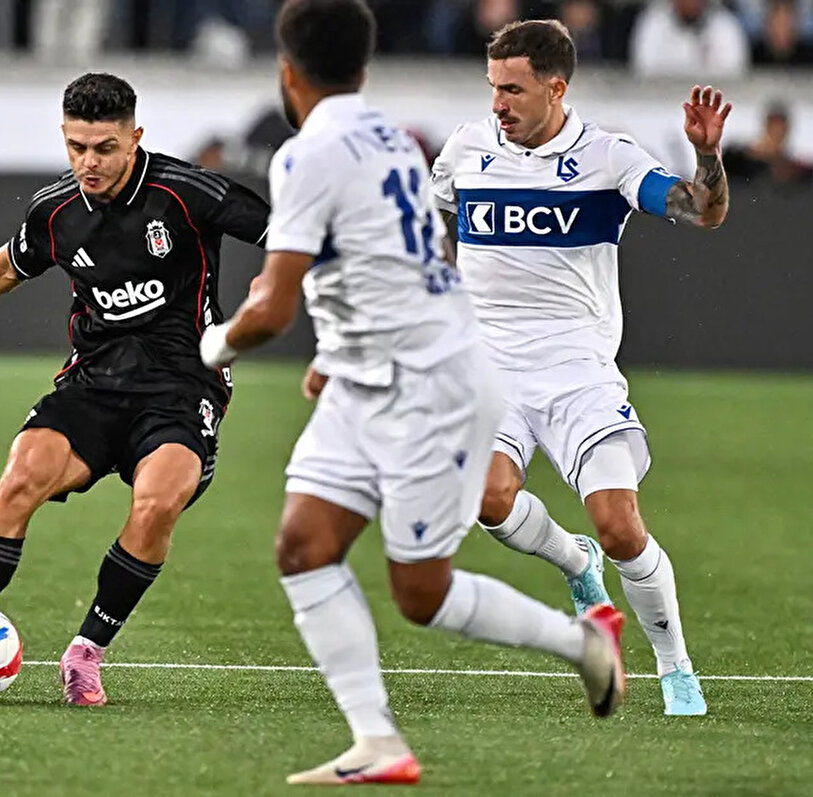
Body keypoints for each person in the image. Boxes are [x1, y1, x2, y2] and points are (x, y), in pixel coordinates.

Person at [199, 0, 626, 785]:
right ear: (361, 69)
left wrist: (214, 345)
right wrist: (338, 348)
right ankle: (378, 742)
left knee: (418, 592)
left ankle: (582, 641)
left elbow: (271, 307)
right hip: (371, 371)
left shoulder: (306, 154)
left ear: (287, 73)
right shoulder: (390, 136)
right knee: (304, 545)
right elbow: (386, 257)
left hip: (428, 383)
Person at [0, 72, 270, 706]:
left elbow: (287, 233)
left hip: (182, 384)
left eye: (104, 148)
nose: (89, 162)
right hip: (93, 382)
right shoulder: (55, 209)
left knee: (157, 502)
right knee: (21, 474)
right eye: (76, 146)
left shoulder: (187, 193)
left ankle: (87, 652)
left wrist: (276, 290)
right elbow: (12, 262)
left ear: (134, 138)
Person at [429, 19, 731, 716]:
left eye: (513, 89)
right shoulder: (468, 149)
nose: (497, 102)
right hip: (490, 363)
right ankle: (574, 564)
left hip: (576, 367)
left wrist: (706, 158)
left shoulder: (608, 158)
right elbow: (442, 217)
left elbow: (702, 212)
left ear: (556, 87)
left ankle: (673, 663)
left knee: (621, 525)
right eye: (492, 87)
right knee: (486, 499)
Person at [630, 0, 749, 77]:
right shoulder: (653, 23)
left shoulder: (725, 25)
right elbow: (644, 68)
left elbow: (734, 71)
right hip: (659, 101)